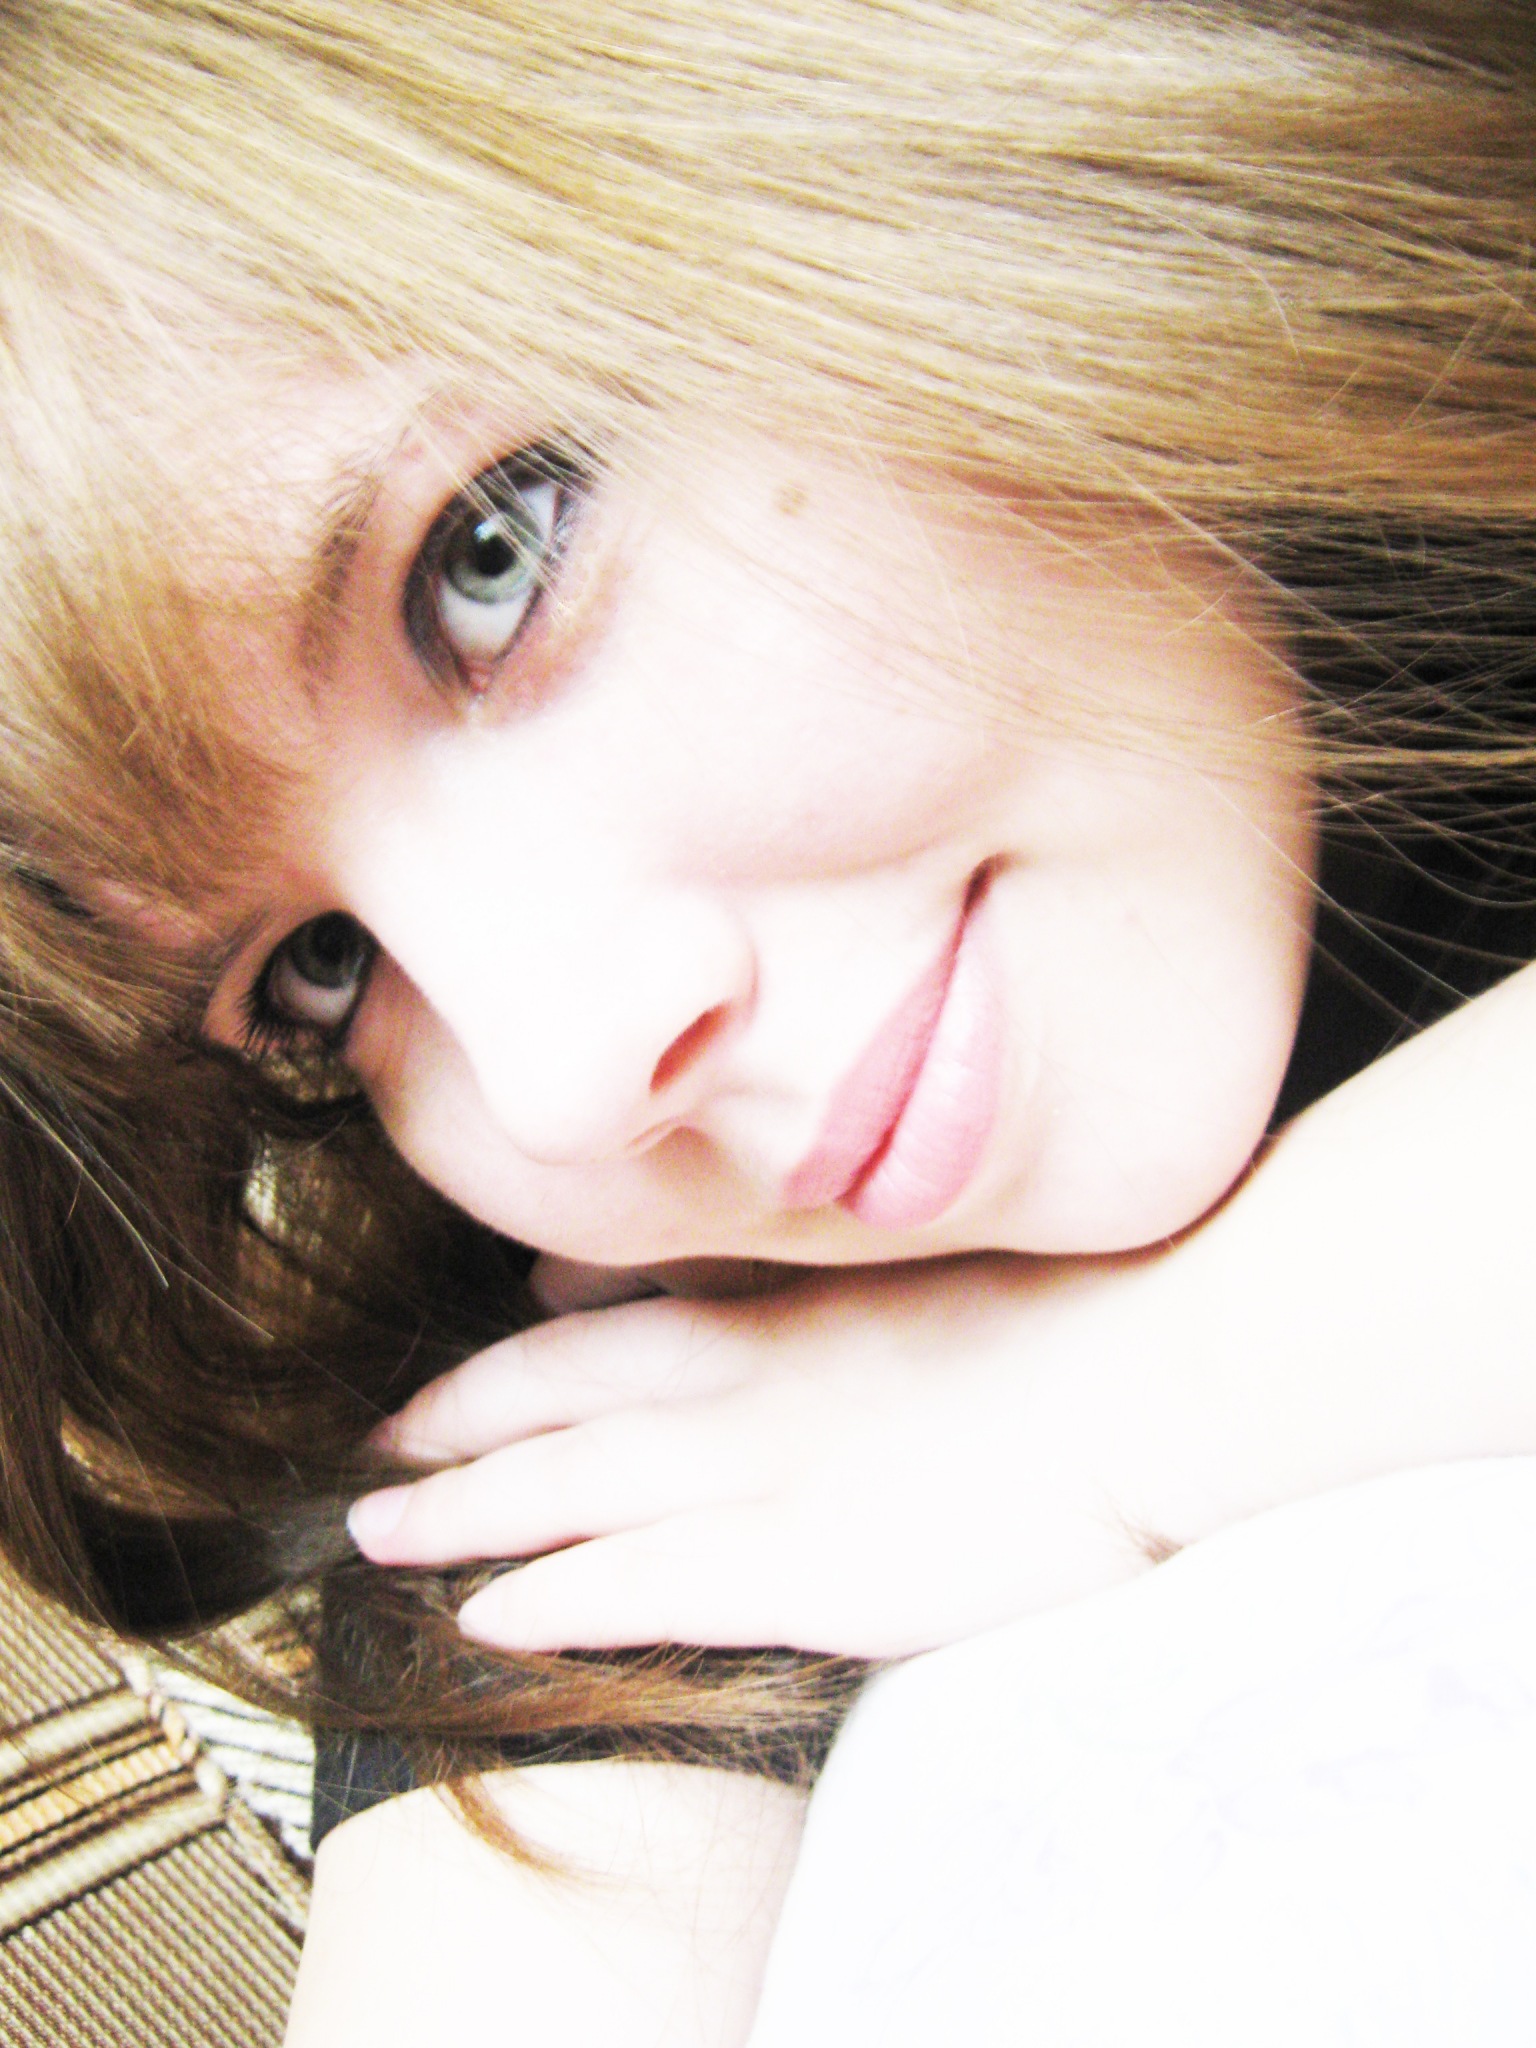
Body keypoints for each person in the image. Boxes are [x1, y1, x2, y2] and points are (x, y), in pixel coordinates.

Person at [0, 0, 1533, 2040]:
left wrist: (1111, 1394)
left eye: (489, 560)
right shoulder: (648, 1370)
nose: (558, 1072)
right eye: (317, 972)